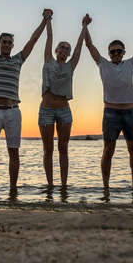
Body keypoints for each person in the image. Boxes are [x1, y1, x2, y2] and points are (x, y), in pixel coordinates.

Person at [0, 0, 52, 189]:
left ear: (13, 46)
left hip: (13, 111)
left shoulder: (18, 60)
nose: (6, 45)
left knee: (13, 152)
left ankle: (13, 189)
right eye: (4, 42)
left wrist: (45, 19)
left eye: (9, 43)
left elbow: (33, 40)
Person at [85, 20, 133, 190]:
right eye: (113, 51)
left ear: (124, 52)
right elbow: (89, 45)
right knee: (108, 150)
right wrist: (85, 26)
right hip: (111, 113)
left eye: (119, 51)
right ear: (109, 53)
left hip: (130, 113)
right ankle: (105, 188)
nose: (116, 53)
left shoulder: (130, 63)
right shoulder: (103, 64)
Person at [39, 13, 91, 188]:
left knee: (63, 149)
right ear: (56, 50)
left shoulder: (71, 65)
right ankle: (50, 185)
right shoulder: (48, 60)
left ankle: (63, 186)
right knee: (48, 150)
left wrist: (84, 25)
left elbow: (79, 45)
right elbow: (49, 36)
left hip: (64, 111)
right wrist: (48, 19)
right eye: (61, 47)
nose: (64, 50)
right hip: (46, 110)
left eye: (67, 49)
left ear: (69, 54)